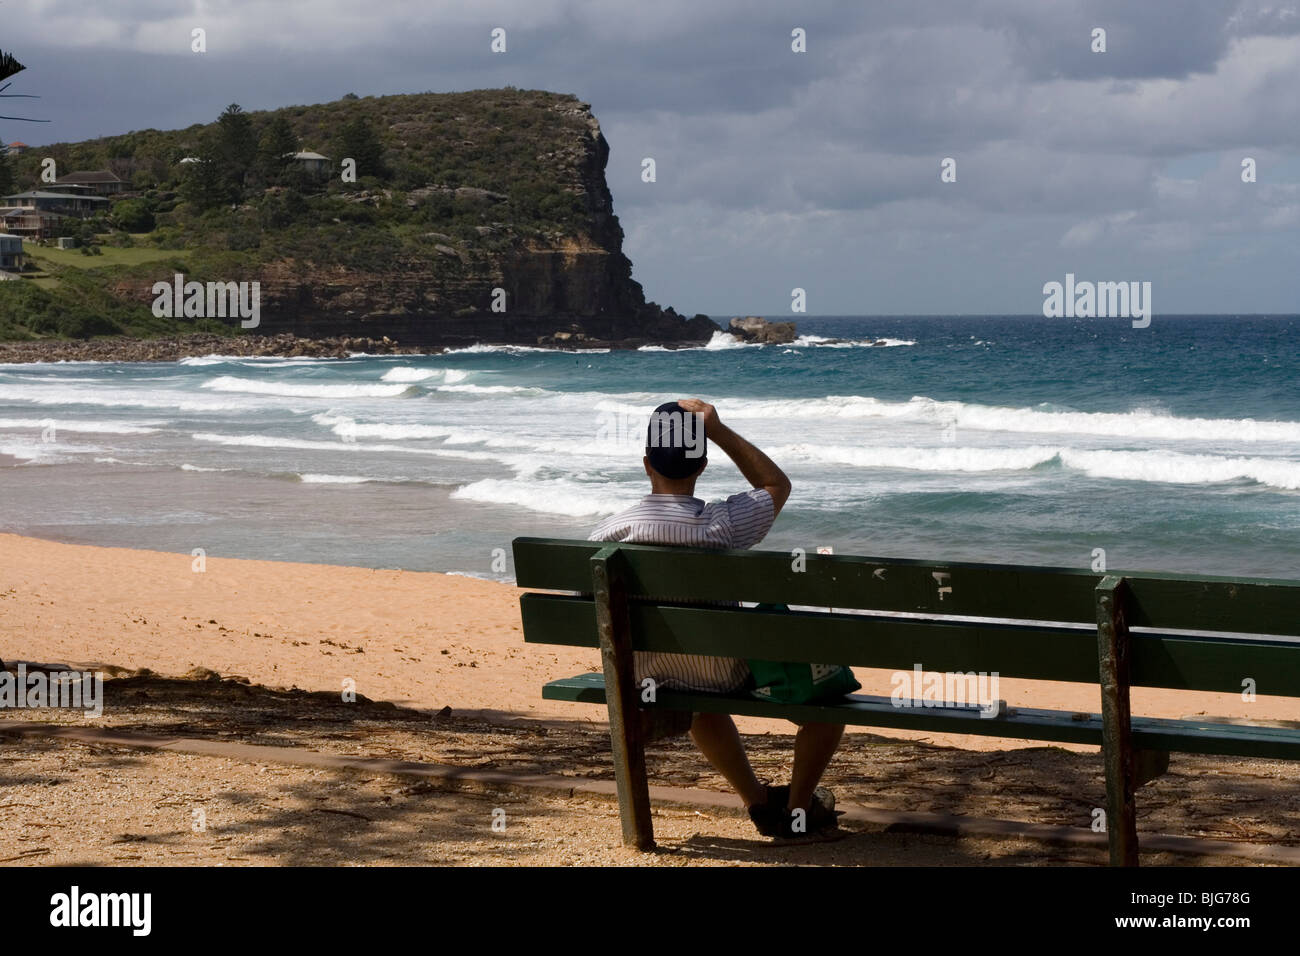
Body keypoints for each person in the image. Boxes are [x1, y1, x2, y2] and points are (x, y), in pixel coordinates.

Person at [588, 398, 845, 838]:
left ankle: (761, 804)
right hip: (725, 672)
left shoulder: (610, 534)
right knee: (830, 706)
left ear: (646, 463)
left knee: (699, 701)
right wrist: (719, 429)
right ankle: (798, 811)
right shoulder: (724, 524)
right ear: (703, 465)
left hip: (645, 671)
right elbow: (775, 484)